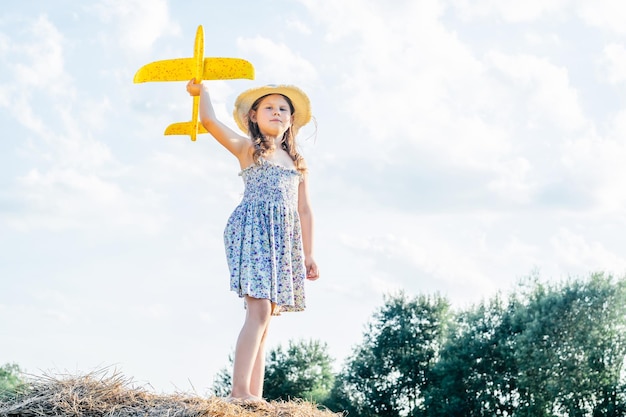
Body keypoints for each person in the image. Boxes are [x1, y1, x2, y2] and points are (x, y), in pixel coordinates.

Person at [186, 79, 320, 403]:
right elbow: (209, 123)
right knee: (258, 311)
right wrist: (201, 93)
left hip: (282, 240)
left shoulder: (298, 163)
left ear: (291, 120)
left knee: (267, 316)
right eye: (269, 108)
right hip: (253, 231)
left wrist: (309, 254)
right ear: (254, 117)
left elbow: (304, 209)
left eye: (283, 109)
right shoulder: (249, 149)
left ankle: (254, 397)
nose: (276, 112)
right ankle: (238, 393)